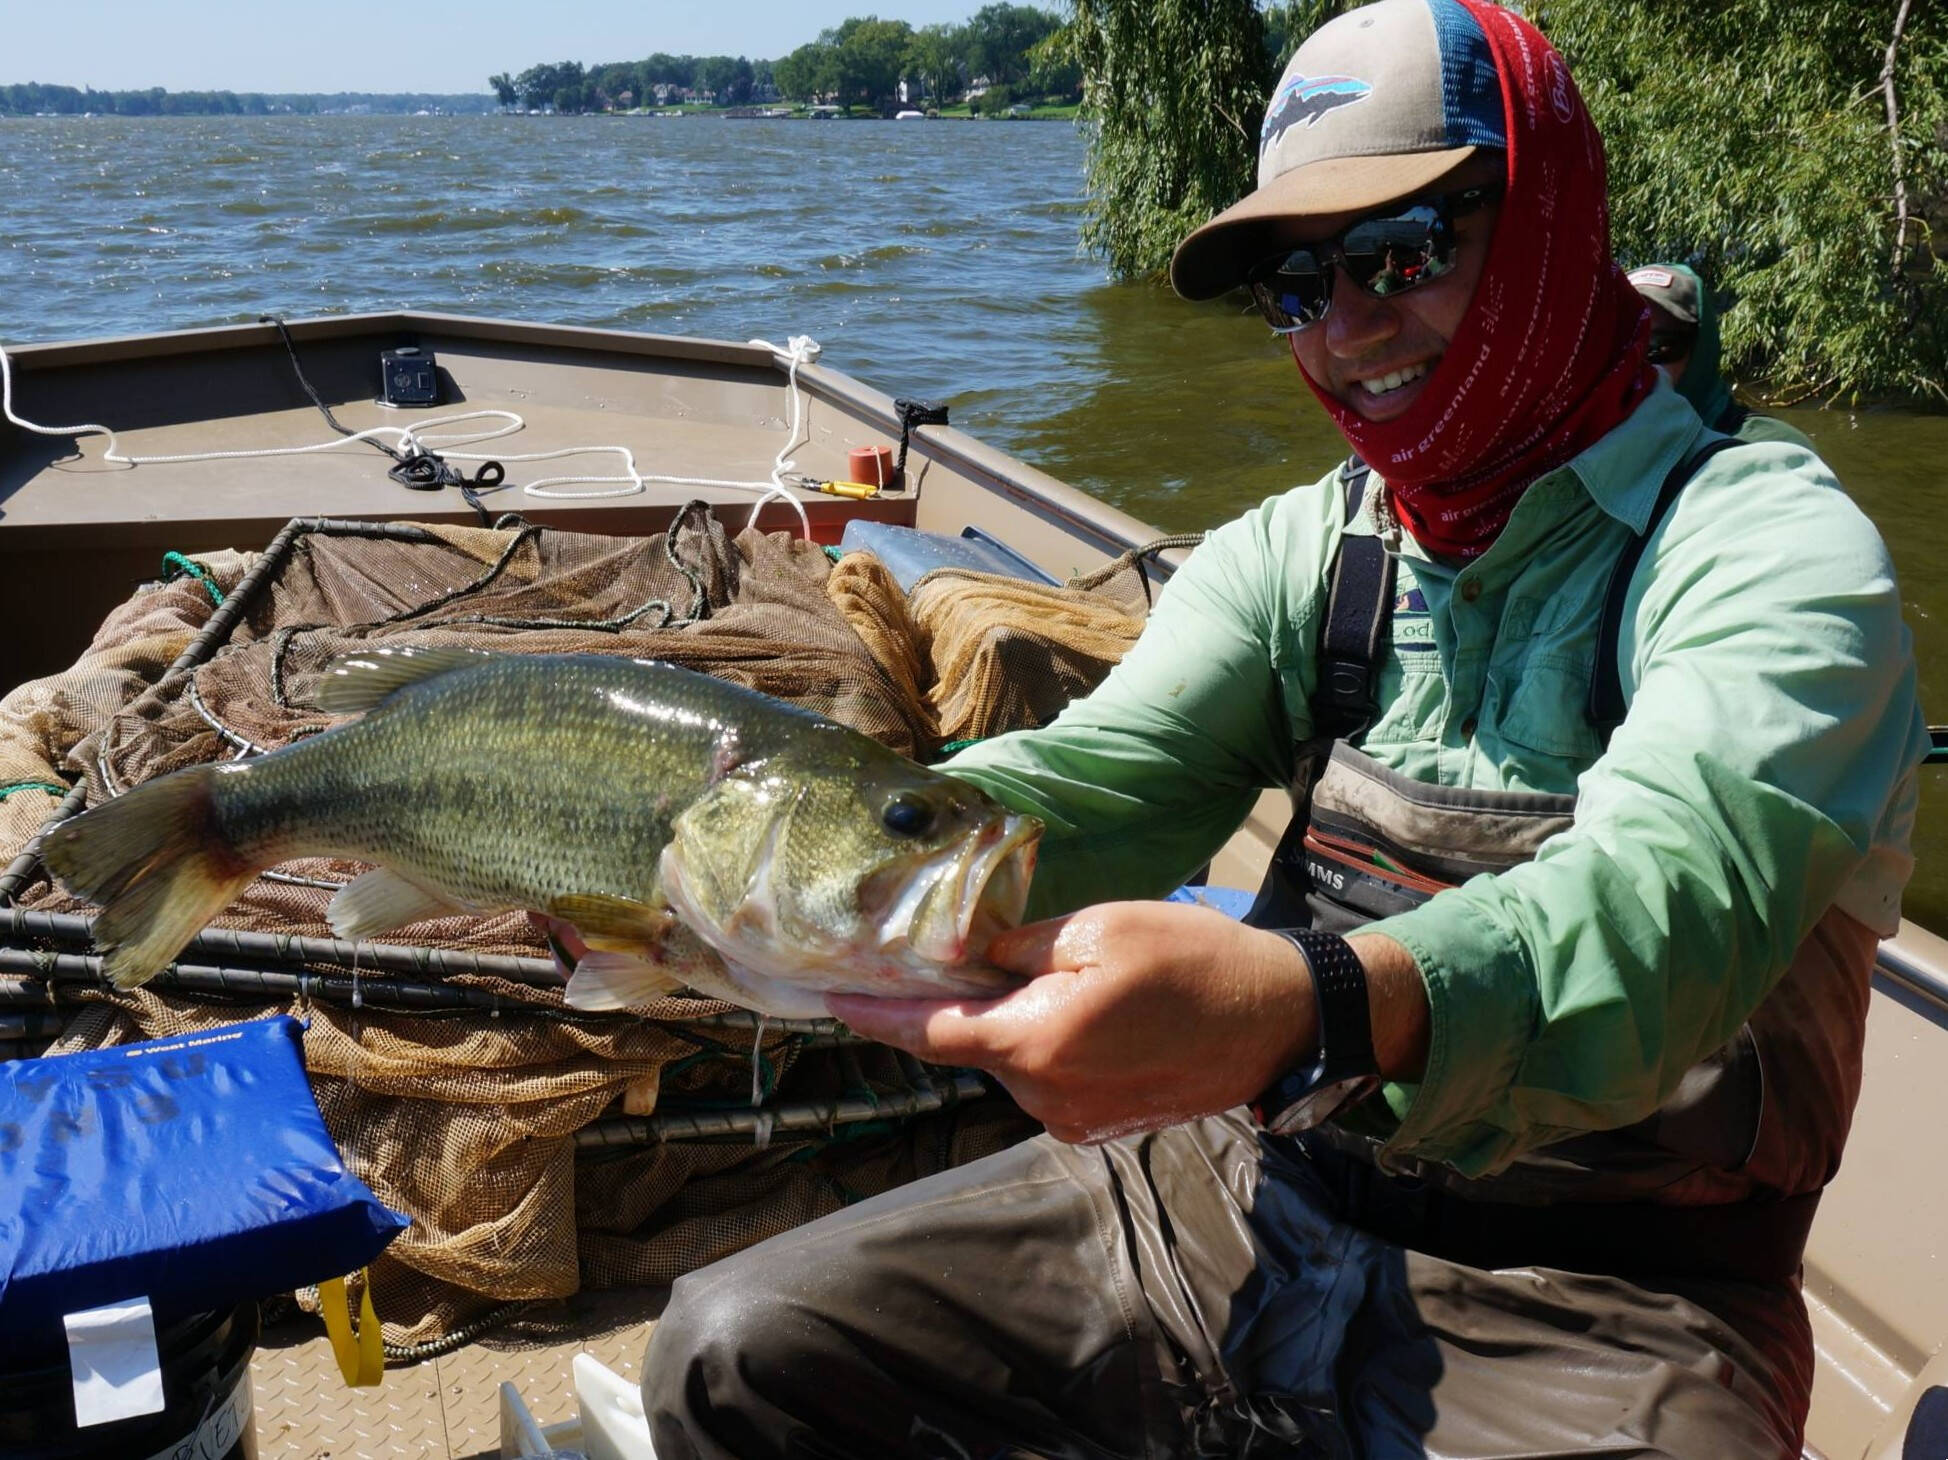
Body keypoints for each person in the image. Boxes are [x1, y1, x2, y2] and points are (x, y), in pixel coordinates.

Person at [639, 1, 1926, 1454]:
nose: (1352, 327)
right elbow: (1099, 782)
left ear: (1555, 214)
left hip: (1617, 1299)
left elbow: (1673, 912)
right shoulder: (1307, 552)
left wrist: (1306, 1009)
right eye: (1299, 286)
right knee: (735, 1354)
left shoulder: (1772, 552)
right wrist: (769, 870)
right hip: (1244, 1193)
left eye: (1404, 251)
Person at [1629, 261, 1815, 449]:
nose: (1636, 363)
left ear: (1700, 352)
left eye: (1658, 346)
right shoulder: (1609, 440)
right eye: (1622, 345)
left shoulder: (1773, 447)